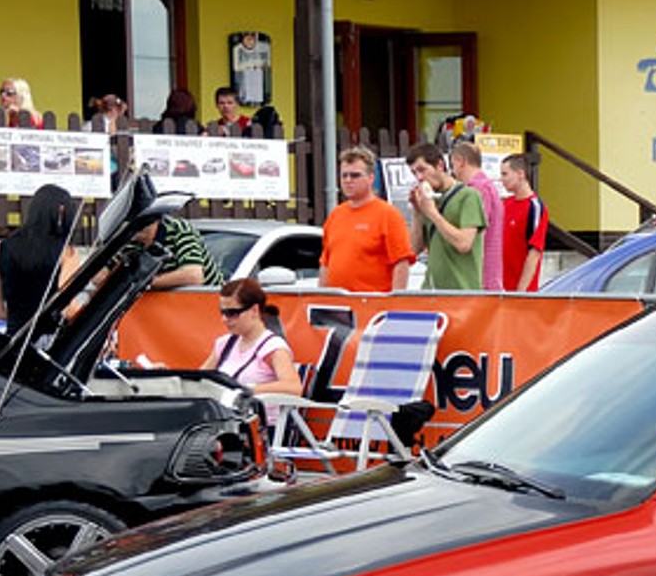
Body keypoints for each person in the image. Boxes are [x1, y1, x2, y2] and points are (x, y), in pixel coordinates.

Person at [0, 183, 82, 333]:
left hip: (15, 337)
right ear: (61, 213)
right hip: (52, 339)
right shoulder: (67, 252)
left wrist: (20, 321)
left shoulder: (0, 248)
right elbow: (68, 308)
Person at [320, 145, 412, 292]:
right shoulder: (335, 215)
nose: (348, 180)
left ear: (371, 178)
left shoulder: (388, 215)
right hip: (337, 306)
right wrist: (321, 297)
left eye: (355, 175)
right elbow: (325, 263)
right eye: (344, 175)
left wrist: (394, 303)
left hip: (372, 307)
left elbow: (401, 262)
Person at [405, 141, 484, 290]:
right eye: (414, 173)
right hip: (431, 290)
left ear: (440, 165)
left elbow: (464, 244)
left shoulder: (468, 196)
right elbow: (414, 249)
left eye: (422, 170)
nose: (419, 177)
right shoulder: (431, 199)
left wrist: (433, 214)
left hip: (461, 291)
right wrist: (417, 212)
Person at [204, 277, 300, 397]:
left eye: (232, 313)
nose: (224, 319)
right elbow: (200, 380)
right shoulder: (224, 343)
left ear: (254, 310)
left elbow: (293, 387)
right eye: (222, 312)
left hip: (256, 413)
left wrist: (245, 390)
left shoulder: (273, 348)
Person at [448, 140, 506, 289]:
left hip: (479, 274)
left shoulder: (477, 190)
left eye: (453, 165)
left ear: (461, 162)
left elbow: (474, 234)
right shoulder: (488, 186)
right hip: (490, 273)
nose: (452, 172)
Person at [125, 213, 219, 289]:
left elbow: (194, 276)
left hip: (208, 304)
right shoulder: (131, 241)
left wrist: (147, 283)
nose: (135, 237)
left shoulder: (179, 229)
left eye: (141, 230)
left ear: (155, 222)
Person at [498, 152, 548, 292]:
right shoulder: (505, 204)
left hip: (521, 291)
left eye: (505, 174)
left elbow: (534, 252)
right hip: (500, 287)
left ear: (520, 174)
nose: (502, 179)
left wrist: (521, 290)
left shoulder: (535, 207)